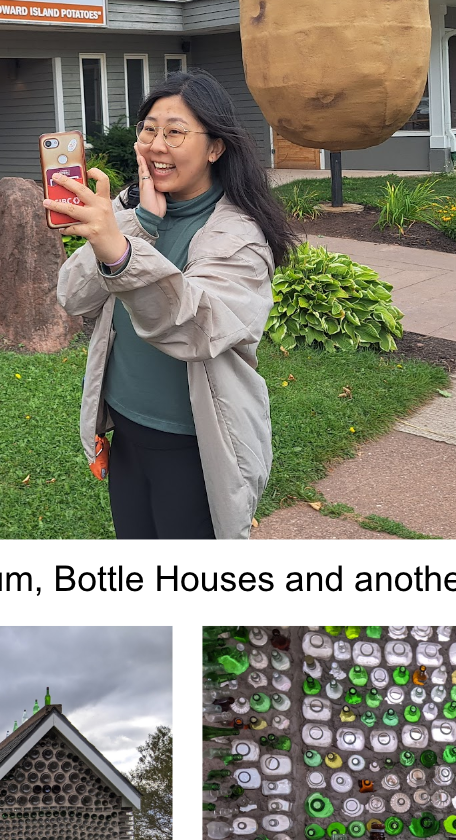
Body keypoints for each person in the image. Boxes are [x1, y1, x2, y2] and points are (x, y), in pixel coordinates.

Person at [50, 71, 296, 539]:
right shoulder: (134, 208)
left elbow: (198, 329)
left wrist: (121, 251)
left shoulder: (238, 237)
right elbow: (73, 295)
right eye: (148, 129)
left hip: (192, 440)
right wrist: (135, 226)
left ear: (215, 147)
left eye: (175, 132)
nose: (157, 145)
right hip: (124, 426)